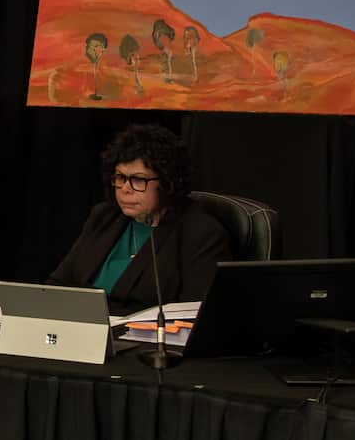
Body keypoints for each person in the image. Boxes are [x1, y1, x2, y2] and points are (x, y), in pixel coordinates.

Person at [47, 124, 230, 313]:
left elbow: (196, 313)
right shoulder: (104, 216)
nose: (125, 188)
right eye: (120, 177)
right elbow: (58, 284)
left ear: (168, 182)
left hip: (144, 339)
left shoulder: (201, 234)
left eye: (138, 180)